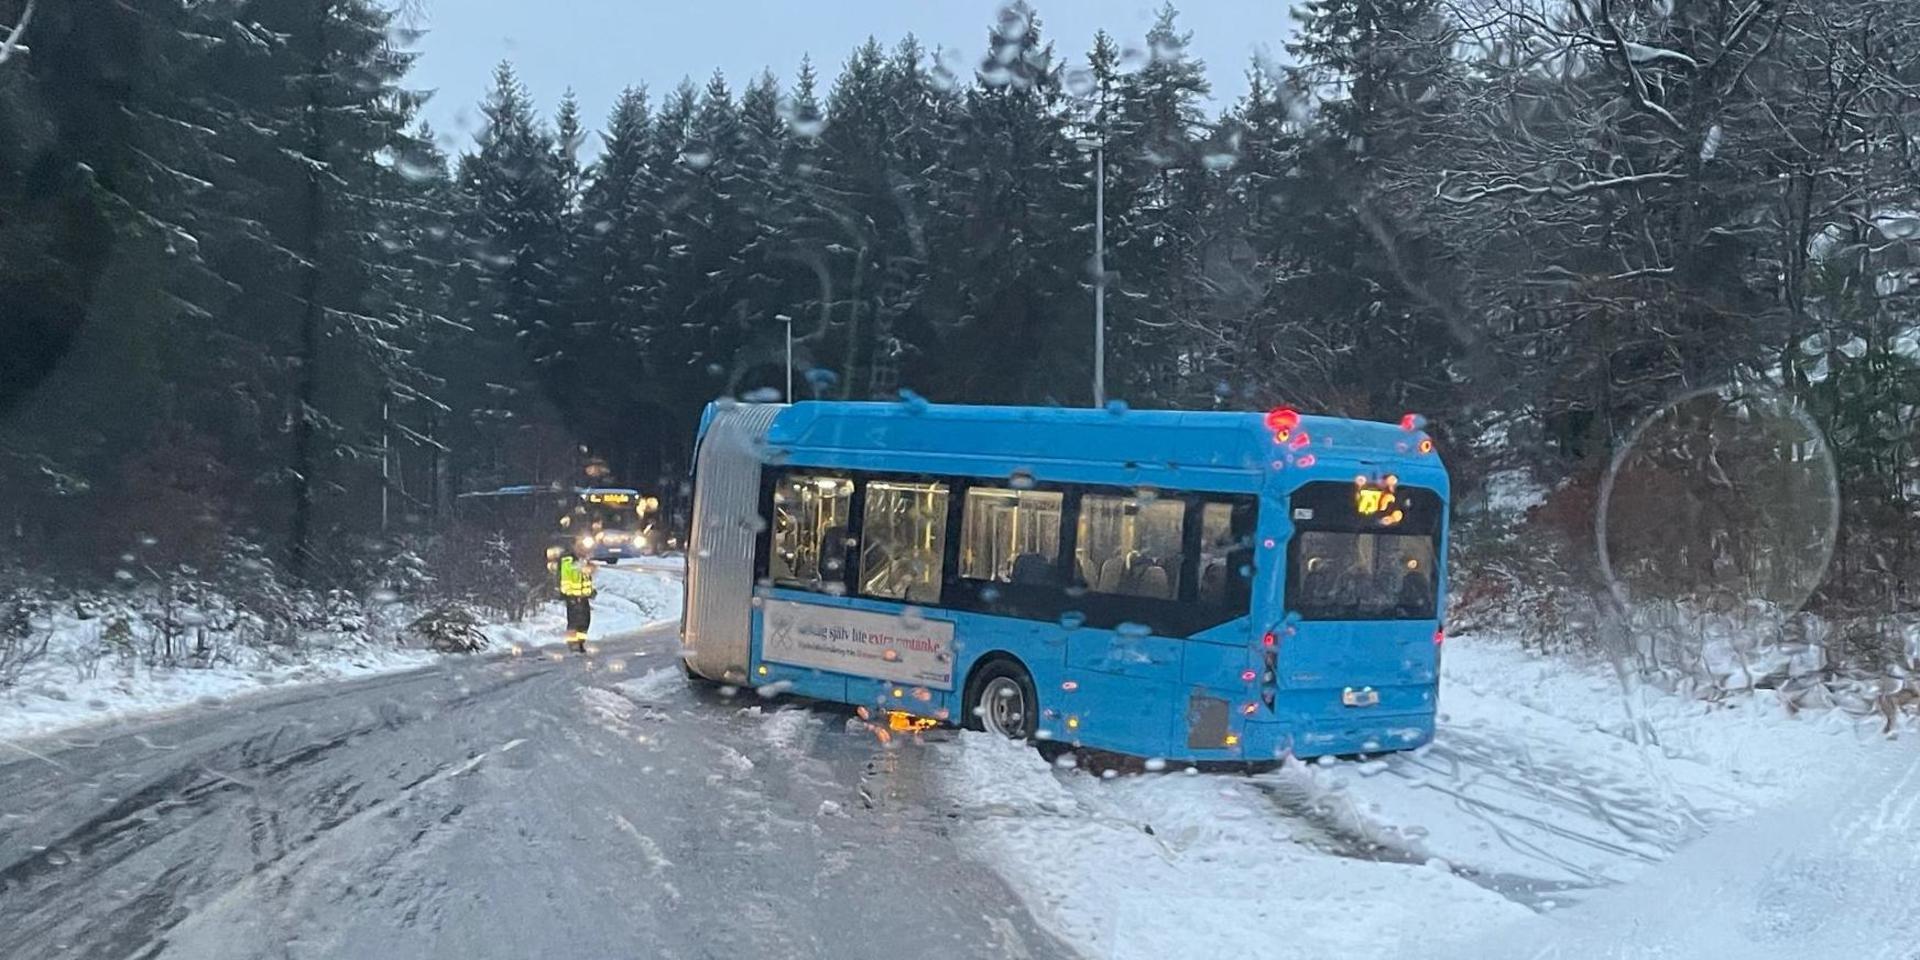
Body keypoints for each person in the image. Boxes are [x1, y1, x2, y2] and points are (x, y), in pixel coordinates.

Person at [558, 549, 596, 652]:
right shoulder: (568, 562)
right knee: (574, 622)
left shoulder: (583, 562)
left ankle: (580, 642)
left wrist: (590, 591)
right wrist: (570, 596)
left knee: (585, 621)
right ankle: (573, 644)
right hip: (572, 597)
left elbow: (586, 578)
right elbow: (567, 577)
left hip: (583, 597)